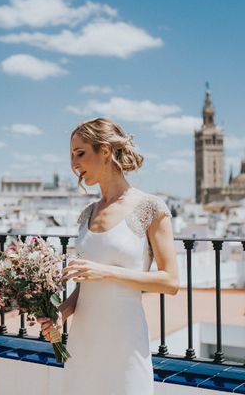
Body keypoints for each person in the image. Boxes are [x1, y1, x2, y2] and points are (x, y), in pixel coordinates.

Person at [38, 117, 179, 395]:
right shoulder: (86, 214)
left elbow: (170, 281)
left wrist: (106, 272)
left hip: (125, 343)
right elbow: (84, 287)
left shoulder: (150, 208)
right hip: (83, 342)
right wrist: (60, 313)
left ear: (104, 151)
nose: (73, 164)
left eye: (80, 153)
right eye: (71, 156)